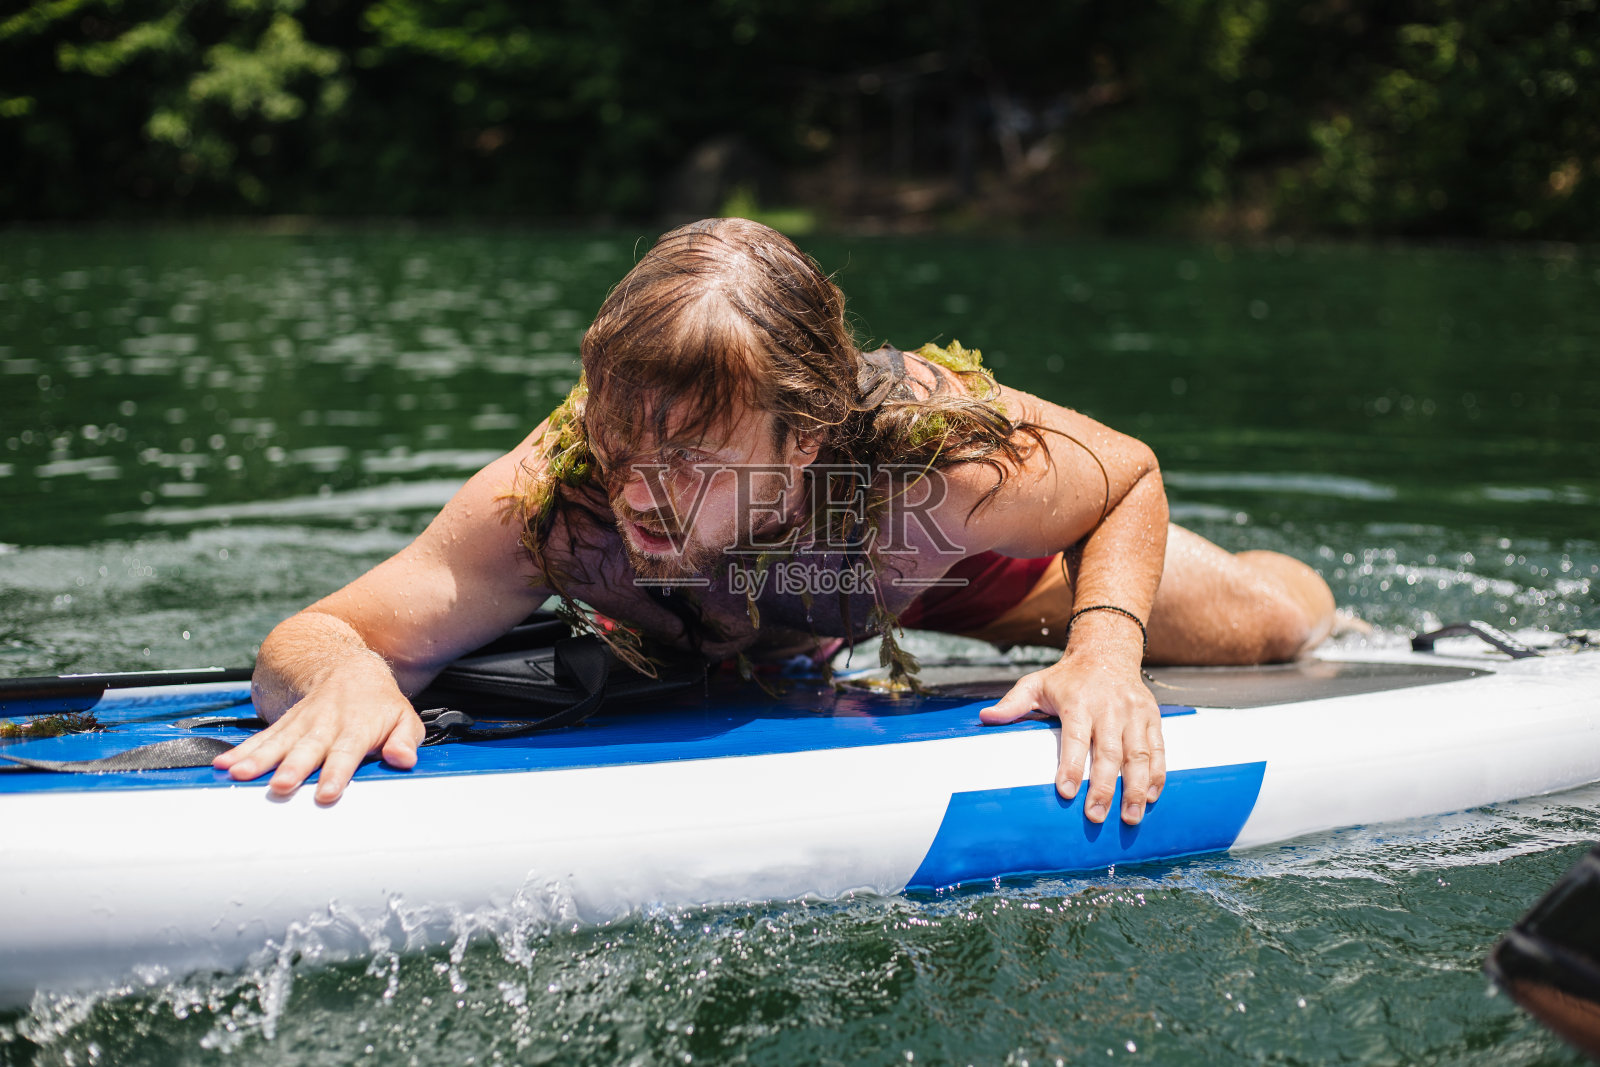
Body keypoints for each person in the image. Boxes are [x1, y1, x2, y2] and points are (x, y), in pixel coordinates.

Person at [217, 217, 1336, 822]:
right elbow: (315, 631)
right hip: (707, 626)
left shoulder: (930, 461)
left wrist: (1103, 650)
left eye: (689, 460)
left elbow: (1126, 472)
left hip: (929, 573)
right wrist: (345, 673)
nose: (639, 493)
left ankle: (1318, 590)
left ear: (801, 440)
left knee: (1266, 623)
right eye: (620, 447)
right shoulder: (556, 509)